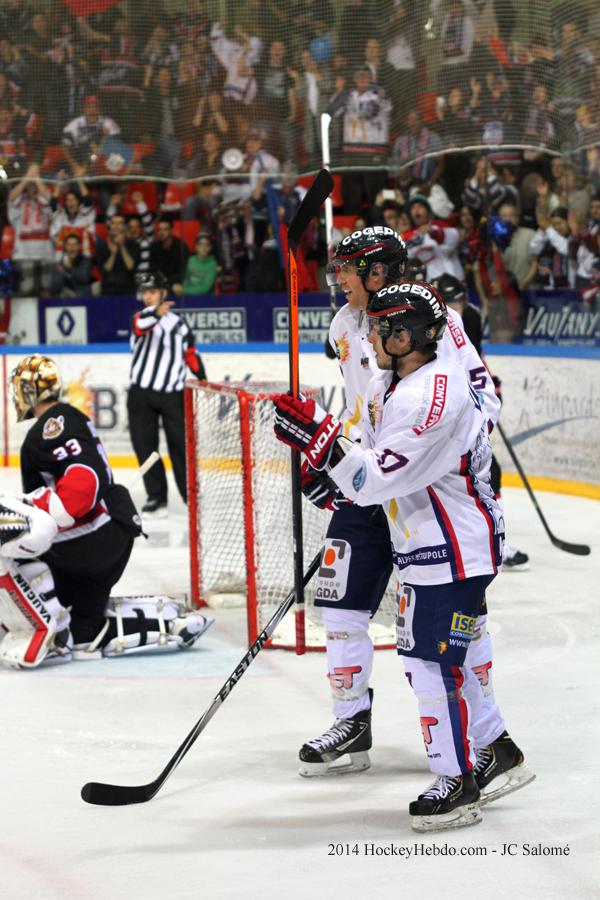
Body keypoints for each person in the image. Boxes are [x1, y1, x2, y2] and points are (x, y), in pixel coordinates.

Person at [272, 280, 534, 832]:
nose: (376, 333)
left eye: (388, 327)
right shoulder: (394, 382)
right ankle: (492, 755)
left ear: (418, 334)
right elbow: (369, 463)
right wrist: (331, 469)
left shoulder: (432, 395)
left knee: (429, 661)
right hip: (424, 543)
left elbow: (377, 478)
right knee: (434, 660)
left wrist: (322, 445)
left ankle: (456, 782)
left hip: (455, 548)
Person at [0, 355, 213, 669]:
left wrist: (36, 508)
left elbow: (83, 483)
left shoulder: (49, 428)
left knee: (12, 534)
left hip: (94, 537)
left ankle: (51, 625)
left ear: (29, 392)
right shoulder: (69, 418)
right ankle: (165, 623)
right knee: (85, 632)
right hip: (111, 536)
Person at [432, 273, 529, 570]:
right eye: (451, 302)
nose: (457, 307)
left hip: (466, 417)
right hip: (444, 419)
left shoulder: (467, 319)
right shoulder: (430, 325)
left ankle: (491, 537)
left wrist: (487, 385)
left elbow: (473, 360)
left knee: (489, 471)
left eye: (459, 301)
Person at [128, 270, 206, 516]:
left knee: (180, 448)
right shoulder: (140, 318)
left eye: (153, 292)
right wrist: (155, 312)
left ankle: (189, 498)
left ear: (163, 293)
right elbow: (141, 327)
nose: (148, 297)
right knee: (145, 447)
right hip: (142, 393)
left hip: (173, 395)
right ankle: (156, 497)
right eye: (145, 293)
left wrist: (203, 380)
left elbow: (190, 355)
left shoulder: (180, 326)